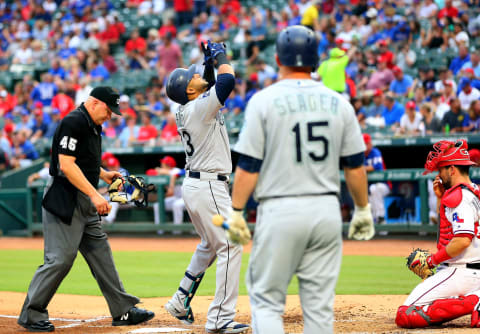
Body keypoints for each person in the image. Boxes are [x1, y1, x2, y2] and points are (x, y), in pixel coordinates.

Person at [226, 25, 375, 334]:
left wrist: (237, 210)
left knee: (267, 301)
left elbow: (249, 166)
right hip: (326, 212)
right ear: (315, 60)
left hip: (281, 209)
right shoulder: (340, 103)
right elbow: (355, 166)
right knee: (319, 307)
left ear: (278, 57)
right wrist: (362, 209)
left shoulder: (263, 101)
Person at [18, 87, 154, 332]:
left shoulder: (93, 125)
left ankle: (122, 310)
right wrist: (95, 195)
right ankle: (32, 313)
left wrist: (103, 174)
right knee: (59, 260)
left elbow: (84, 160)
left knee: (101, 254)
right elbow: (67, 165)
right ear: (94, 102)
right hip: (65, 198)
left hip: (84, 199)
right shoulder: (73, 122)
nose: (111, 115)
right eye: (108, 109)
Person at [164, 41, 249, 333]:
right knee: (231, 244)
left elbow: (212, 82)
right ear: (190, 90)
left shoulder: (193, 106)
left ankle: (179, 299)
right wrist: (218, 55)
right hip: (208, 185)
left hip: (198, 185)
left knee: (210, 246)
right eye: (193, 76)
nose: (197, 74)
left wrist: (207, 62)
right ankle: (219, 319)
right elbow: (226, 81)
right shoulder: (200, 107)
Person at [396, 139, 480, 329]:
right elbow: (451, 229)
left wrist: (432, 261)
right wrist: (441, 199)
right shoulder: (474, 192)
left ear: (452, 169)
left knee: (406, 315)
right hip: (471, 270)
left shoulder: (459, 197)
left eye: (441, 169)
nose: (439, 174)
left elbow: (462, 240)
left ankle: (474, 300)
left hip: (460, 272)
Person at [151, 156, 186, 234]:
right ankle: (160, 230)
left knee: (177, 205)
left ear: (168, 165)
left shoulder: (176, 170)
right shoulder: (165, 174)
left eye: (163, 164)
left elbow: (175, 174)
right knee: (157, 205)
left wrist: (161, 171)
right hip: (176, 198)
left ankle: (177, 231)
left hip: (186, 199)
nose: (161, 166)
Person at [363, 133, 390, 225]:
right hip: (369, 186)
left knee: (374, 188)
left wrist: (363, 169)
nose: (365, 146)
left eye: (367, 143)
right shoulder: (360, 155)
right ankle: (375, 220)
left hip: (384, 185)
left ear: (370, 143)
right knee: (368, 191)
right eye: (364, 144)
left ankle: (381, 218)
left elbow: (376, 167)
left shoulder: (375, 152)